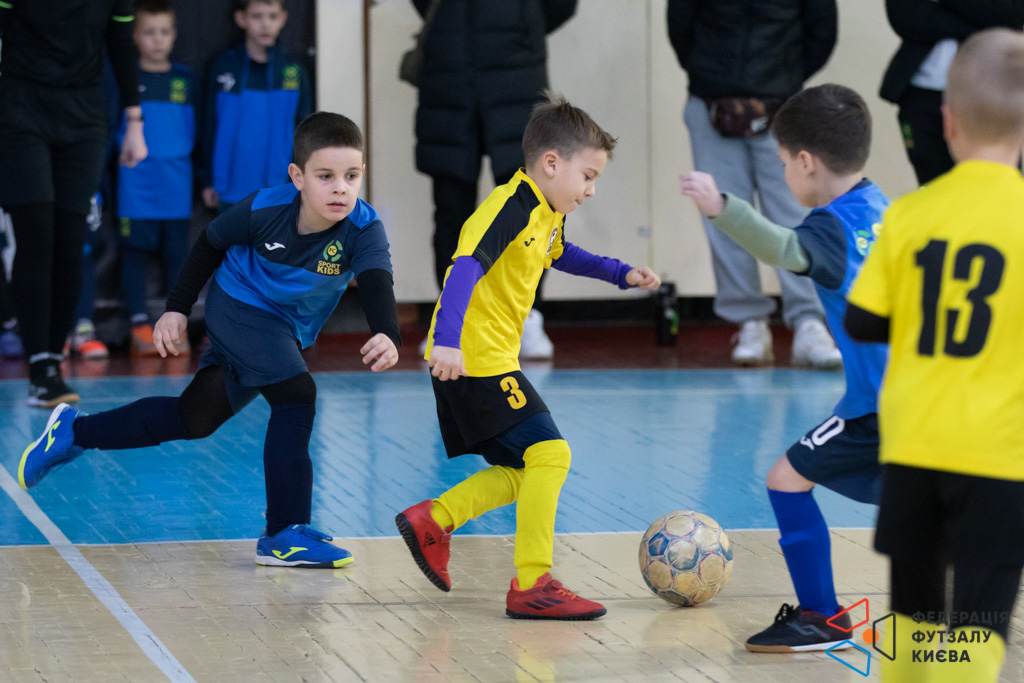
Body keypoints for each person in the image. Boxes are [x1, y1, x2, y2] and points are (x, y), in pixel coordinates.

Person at [19, 112, 401, 569]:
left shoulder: (364, 227)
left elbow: (377, 281)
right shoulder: (263, 209)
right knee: (297, 396)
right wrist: (177, 308)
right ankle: (284, 533)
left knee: (193, 417)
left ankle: (74, 432)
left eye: (351, 176)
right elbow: (210, 243)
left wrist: (387, 331)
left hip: (283, 328)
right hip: (239, 305)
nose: (340, 188)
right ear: (297, 177)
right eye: (326, 176)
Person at [396, 92, 661, 619]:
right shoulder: (509, 207)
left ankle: (435, 519)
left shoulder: (545, 212)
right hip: (474, 358)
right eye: (588, 176)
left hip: (491, 358)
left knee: (526, 469)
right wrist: (446, 341)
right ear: (551, 163)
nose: (591, 190)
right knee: (551, 454)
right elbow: (464, 266)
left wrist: (621, 274)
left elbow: (561, 254)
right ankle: (533, 583)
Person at [680, 84, 889, 651]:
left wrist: (722, 208)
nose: (783, 174)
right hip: (931, 395)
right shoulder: (886, 210)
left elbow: (781, 249)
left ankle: (823, 616)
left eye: (781, 164)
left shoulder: (830, 227)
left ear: (806, 162)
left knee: (785, 480)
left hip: (879, 404)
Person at [847, 29, 1024, 682]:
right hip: (999, 456)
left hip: (914, 448)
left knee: (912, 617)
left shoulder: (910, 214)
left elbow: (863, 319)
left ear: (947, 122)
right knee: (977, 627)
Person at [667, 0, 842, 369]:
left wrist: (785, 76)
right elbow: (680, 23)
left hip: (782, 103)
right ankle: (749, 322)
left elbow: (822, 30)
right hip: (712, 100)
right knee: (722, 213)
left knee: (796, 216)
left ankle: (809, 322)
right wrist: (709, 73)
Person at [409, 0, 577, 359]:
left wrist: (524, 24)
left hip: (517, 78)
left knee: (529, 210)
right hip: (450, 79)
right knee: (452, 211)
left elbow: (561, 5)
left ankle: (525, 316)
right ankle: (451, 322)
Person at [0, 0, 147, 406]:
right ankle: (41, 367)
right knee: (37, 239)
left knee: (70, 243)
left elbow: (121, 44)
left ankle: (52, 358)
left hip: (83, 119)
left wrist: (135, 124)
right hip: (21, 112)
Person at [118, 0, 198, 356]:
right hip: (134, 184)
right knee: (134, 254)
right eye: (149, 32)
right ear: (135, 36)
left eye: (164, 31)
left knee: (177, 257)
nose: (157, 39)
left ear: (174, 35)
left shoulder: (186, 79)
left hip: (176, 185)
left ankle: (174, 326)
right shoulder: (124, 78)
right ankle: (138, 324)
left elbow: (201, 131)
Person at [880, 0, 1024, 185]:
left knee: (996, 185)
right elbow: (904, 15)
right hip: (922, 93)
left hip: (991, 95)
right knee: (934, 187)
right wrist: (976, 25)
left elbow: (1010, 14)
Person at [201, 0, 313, 213]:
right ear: (241, 19)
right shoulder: (223, 68)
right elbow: (208, 127)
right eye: (257, 16)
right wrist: (208, 180)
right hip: (228, 188)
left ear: (283, 18)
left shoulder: (294, 71)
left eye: (272, 16)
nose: (265, 24)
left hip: (279, 189)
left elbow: (305, 131)